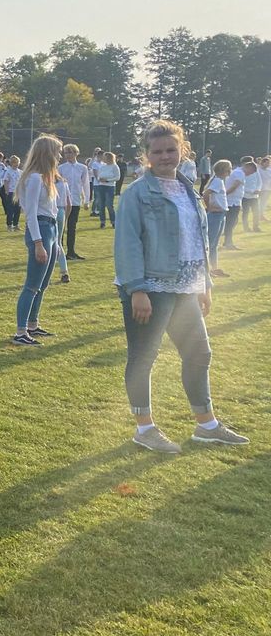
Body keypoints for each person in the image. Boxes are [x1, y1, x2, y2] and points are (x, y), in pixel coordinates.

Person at [113, 119, 247, 453]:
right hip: (152, 286)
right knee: (144, 357)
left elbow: (198, 239)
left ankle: (207, 426)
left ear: (182, 150)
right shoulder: (137, 194)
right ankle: (144, 428)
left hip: (187, 285)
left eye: (171, 149)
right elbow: (127, 242)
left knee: (199, 352)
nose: (164, 156)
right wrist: (138, 288)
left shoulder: (188, 188)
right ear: (146, 155)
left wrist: (205, 284)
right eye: (157, 151)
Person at [12, 135, 62, 346]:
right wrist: (39, 243)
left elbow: (52, 211)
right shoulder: (33, 178)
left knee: (42, 284)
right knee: (32, 285)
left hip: (50, 228)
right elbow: (31, 213)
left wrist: (56, 242)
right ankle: (21, 331)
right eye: (57, 151)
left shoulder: (46, 178)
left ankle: (33, 324)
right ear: (47, 153)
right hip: (40, 230)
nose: (59, 156)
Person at [57, 144, 90, 261]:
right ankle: (58, 252)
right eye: (66, 153)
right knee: (60, 227)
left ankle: (71, 252)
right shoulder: (61, 168)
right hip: (62, 202)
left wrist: (86, 200)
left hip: (75, 201)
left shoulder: (82, 168)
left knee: (72, 227)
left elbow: (85, 184)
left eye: (71, 152)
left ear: (76, 153)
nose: (68, 155)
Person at [203, 160, 231, 278]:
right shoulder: (218, 181)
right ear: (224, 170)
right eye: (229, 168)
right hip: (215, 215)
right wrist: (209, 207)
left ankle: (214, 268)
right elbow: (205, 193)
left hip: (221, 214)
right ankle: (207, 270)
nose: (230, 171)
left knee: (214, 244)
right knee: (209, 243)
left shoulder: (219, 181)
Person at [96, 152, 121, 228]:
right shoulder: (102, 166)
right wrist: (100, 179)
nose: (103, 159)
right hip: (101, 186)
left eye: (105, 157)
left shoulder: (115, 166)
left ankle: (113, 221)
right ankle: (102, 222)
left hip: (109, 187)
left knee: (109, 205)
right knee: (101, 205)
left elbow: (117, 177)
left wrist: (107, 180)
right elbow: (98, 175)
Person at [239, 157, 262, 233]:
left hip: (255, 196)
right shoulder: (240, 172)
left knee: (256, 212)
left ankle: (256, 227)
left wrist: (258, 189)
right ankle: (246, 228)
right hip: (245, 196)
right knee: (246, 212)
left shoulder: (256, 171)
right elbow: (240, 186)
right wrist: (251, 191)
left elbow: (259, 181)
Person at [2, 155, 23, 232]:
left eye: (17, 162)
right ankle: (9, 225)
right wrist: (7, 191)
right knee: (10, 209)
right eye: (14, 162)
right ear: (11, 163)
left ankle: (16, 224)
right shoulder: (8, 171)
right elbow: (6, 181)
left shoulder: (20, 172)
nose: (16, 164)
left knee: (17, 209)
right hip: (11, 192)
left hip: (18, 193)